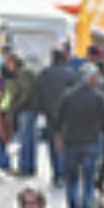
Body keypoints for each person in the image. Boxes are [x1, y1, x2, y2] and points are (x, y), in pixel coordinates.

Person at [53, 66, 104, 208]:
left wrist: (58, 138)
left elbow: (58, 120)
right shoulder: (99, 97)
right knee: (87, 184)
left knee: (71, 183)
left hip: (71, 142)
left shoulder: (68, 96)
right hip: (91, 143)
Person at [33, 46, 79, 183]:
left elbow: (37, 94)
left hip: (49, 113)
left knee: (52, 143)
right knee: (66, 143)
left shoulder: (44, 74)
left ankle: (57, 172)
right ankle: (64, 171)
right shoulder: (71, 74)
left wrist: (41, 109)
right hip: (67, 114)